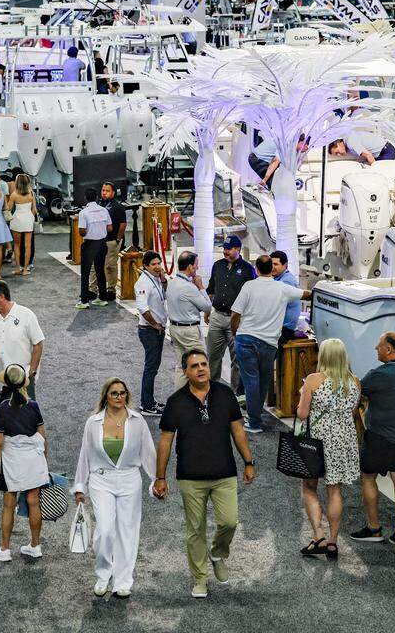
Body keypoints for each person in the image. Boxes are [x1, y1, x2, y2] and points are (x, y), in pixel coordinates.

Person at [154, 349, 256, 598]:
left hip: (224, 473)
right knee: (195, 530)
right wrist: (160, 477)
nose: (201, 369)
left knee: (229, 521)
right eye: (194, 366)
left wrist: (249, 461)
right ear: (185, 372)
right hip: (190, 477)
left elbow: (238, 431)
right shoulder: (175, 402)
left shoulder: (225, 394)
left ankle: (218, 553)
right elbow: (165, 442)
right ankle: (199, 578)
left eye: (204, 364)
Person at [74, 378, 156, 597]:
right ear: (106, 397)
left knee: (128, 532)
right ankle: (103, 575)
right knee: (105, 531)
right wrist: (80, 486)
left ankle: (123, 581)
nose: (120, 397)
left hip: (130, 480)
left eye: (123, 393)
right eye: (114, 393)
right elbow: (85, 454)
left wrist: (157, 479)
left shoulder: (138, 421)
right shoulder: (93, 422)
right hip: (101, 481)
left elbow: (148, 452)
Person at [350, 332, 395, 550]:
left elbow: (356, 391)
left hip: (380, 436)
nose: (375, 348)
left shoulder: (378, 374)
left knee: (367, 477)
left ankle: (374, 528)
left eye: (379, 345)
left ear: (389, 349)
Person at [296, 339, 361, 560]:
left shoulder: (314, 380)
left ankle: (319, 535)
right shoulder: (355, 382)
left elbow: (302, 414)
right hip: (342, 442)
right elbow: (351, 413)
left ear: (323, 356)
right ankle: (333, 542)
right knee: (335, 491)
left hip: (316, 442)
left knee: (308, 487)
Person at [230, 255, 309, 433]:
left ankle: (254, 422)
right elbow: (306, 294)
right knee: (263, 381)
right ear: (271, 269)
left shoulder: (249, 286)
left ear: (256, 269)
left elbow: (235, 314)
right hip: (269, 343)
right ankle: (256, 418)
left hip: (246, 339)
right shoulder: (283, 288)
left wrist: (236, 333)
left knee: (251, 380)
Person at [0, 364, 49, 561]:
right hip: (33, 459)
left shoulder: (0, 409)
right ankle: (35, 545)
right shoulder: (33, 406)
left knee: (8, 504)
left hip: (12, 461)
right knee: (33, 502)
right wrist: (44, 462)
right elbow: (42, 436)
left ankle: (5, 549)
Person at [0, 280, 45, 402]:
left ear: (1, 297)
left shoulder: (26, 315)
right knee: (4, 420)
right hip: (1, 385)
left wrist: (32, 372)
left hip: (23, 383)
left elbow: (38, 344)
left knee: (27, 419)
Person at [206, 235, 256, 391]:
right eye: (224, 249)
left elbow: (253, 295)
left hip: (237, 320)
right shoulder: (217, 266)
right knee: (213, 356)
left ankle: (235, 393)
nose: (225, 252)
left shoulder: (248, 269)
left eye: (228, 249)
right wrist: (208, 310)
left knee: (238, 359)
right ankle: (212, 390)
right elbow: (211, 289)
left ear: (238, 249)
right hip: (217, 316)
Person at [167, 251, 211, 389]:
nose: (197, 268)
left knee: (182, 366)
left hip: (175, 328)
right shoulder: (189, 287)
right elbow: (207, 306)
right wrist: (201, 287)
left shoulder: (172, 283)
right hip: (189, 331)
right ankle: (200, 400)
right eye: (196, 265)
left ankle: (178, 399)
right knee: (200, 365)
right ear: (190, 267)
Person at [134, 251, 168, 415]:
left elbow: (164, 296)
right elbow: (142, 308)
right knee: (150, 368)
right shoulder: (143, 283)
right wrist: (155, 324)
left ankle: (149, 401)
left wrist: (163, 279)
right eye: (153, 264)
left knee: (153, 367)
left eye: (159, 263)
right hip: (149, 331)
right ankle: (146, 405)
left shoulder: (155, 279)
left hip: (156, 330)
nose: (157, 267)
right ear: (145, 266)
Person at [76, 186, 111, 308]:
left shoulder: (83, 212)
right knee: (100, 271)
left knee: (85, 273)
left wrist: (91, 231)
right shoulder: (104, 210)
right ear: (97, 197)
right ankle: (102, 298)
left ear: (85, 198)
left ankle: (84, 301)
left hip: (90, 244)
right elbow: (110, 228)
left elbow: (81, 231)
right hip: (102, 243)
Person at [90, 181, 126, 301]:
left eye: (107, 191)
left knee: (110, 266)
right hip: (98, 240)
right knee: (95, 266)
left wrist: (118, 239)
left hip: (111, 241)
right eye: (103, 190)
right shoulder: (97, 205)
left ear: (113, 193)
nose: (104, 193)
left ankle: (111, 290)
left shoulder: (118, 207)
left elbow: (123, 224)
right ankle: (92, 290)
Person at [269, 250, 301, 354]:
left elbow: (273, 305)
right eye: (271, 264)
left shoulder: (286, 281)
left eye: (276, 264)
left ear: (285, 265)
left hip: (284, 330)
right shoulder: (278, 279)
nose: (272, 267)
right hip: (279, 328)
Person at [7, 173, 37, 277]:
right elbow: (34, 209)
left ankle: (17, 268)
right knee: (28, 245)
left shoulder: (14, 195)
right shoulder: (31, 193)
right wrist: (31, 217)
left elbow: (9, 209)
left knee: (17, 245)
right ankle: (25, 269)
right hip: (28, 218)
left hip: (17, 219)